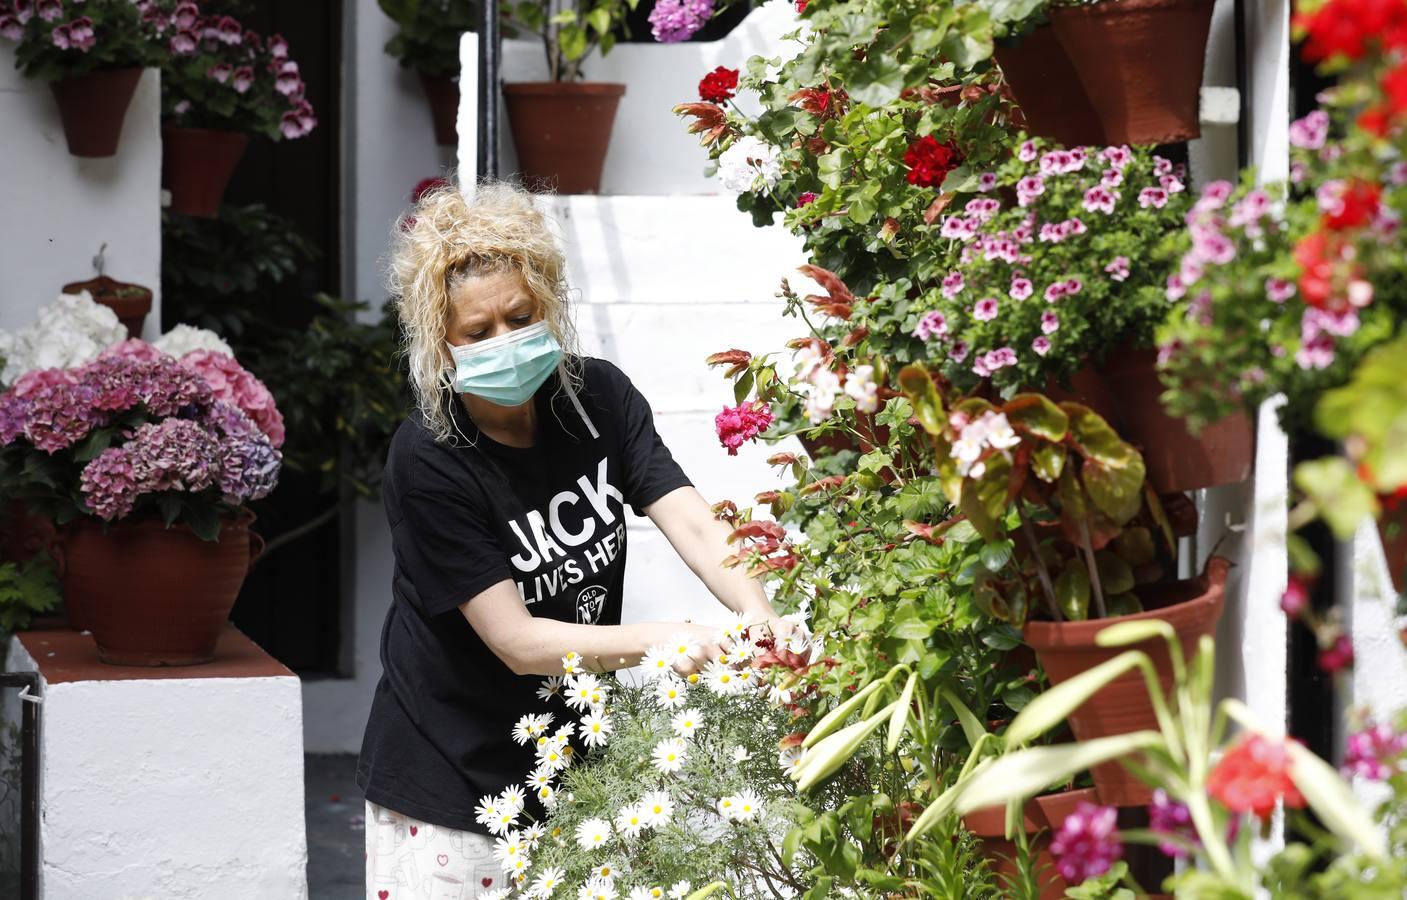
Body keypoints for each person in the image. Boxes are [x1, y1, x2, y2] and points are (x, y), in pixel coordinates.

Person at [357, 179, 790, 900]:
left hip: (575, 775)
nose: (505, 341)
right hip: (450, 784)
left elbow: (687, 517)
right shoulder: (429, 457)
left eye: (520, 317)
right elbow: (517, 643)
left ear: (548, 304)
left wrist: (759, 611)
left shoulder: (598, 399)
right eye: (477, 331)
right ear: (441, 340)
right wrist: (675, 638)